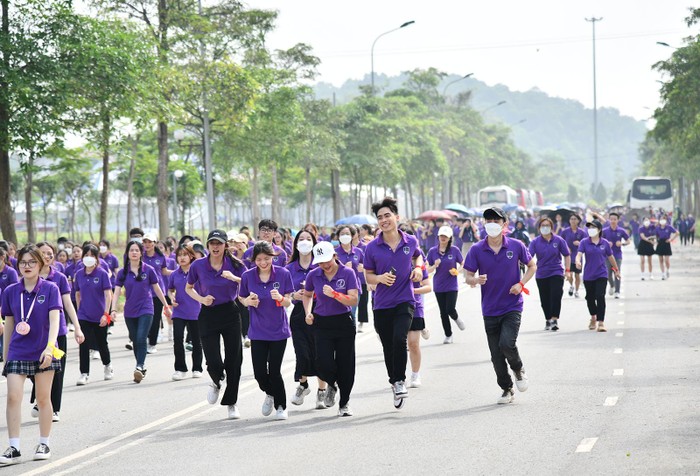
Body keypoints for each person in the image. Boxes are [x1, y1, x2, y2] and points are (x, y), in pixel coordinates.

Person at [463, 207, 536, 405]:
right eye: (488, 220)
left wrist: (521, 284)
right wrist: (476, 280)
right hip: (489, 308)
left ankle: (518, 369)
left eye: (496, 220)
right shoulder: (477, 249)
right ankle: (507, 388)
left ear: (504, 224)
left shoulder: (516, 245)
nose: (492, 223)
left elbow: (531, 266)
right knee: (496, 355)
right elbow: (467, 276)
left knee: (506, 344)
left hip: (512, 305)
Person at [0, 245, 63, 465]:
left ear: (41, 263)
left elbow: (55, 321)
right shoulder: (10, 291)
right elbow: (9, 325)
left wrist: (50, 347)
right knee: (13, 396)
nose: (27, 266)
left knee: (43, 399)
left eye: (32, 262)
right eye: (23, 262)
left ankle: (44, 442)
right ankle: (14, 447)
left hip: (43, 350)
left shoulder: (51, 289)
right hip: (18, 350)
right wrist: (6, 357)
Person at [363, 196, 424, 409]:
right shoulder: (372, 248)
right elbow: (368, 276)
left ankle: (399, 381)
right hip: (381, 304)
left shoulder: (410, 241)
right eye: (380, 217)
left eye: (387, 215)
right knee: (388, 346)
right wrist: (379, 279)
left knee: (400, 339)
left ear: (397, 217)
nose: (384, 220)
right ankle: (394, 381)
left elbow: (418, 257)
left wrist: (418, 269)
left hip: (405, 300)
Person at [186, 230, 246, 420]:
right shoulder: (198, 265)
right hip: (208, 313)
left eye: (219, 243)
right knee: (213, 360)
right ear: (208, 245)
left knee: (233, 360)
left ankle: (231, 403)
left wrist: (233, 278)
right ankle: (216, 380)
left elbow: (247, 282)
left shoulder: (235, 264)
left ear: (225, 245)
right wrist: (201, 299)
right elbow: (189, 288)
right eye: (212, 243)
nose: (215, 246)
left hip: (230, 311)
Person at [239, 241, 294, 421]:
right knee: (260, 373)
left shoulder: (283, 274)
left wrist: (280, 298)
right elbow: (241, 298)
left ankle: (281, 406)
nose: (263, 263)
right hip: (257, 331)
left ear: (273, 257)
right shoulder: (248, 276)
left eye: (267, 259)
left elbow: (288, 301)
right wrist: (249, 302)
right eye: (259, 259)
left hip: (278, 330)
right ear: (254, 259)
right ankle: (270, 393)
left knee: (275, 370)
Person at [303, 241, 359, 417]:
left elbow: (354, 300)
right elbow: (307, 294)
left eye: (327, 260)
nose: (325, 265)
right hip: (322, 323)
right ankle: (332, 385)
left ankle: (344, 403)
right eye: (320, 262)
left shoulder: (347, 273)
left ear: (335, 256)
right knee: (322, 362)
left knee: (346, 364)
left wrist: (335, 294)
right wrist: (308, 312)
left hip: (343, 322)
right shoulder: (314, 275)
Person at [32, 242, 84, 422]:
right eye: (43, 253)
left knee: (57, 371)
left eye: (49, 253)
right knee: (33, 368)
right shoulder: (30, 276)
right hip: (34, 333)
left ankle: (54, 408)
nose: (47, 256)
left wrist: (77, 327)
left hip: (58, 331)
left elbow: (68, 303)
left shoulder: (60, 277)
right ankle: (41, 398)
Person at [111, 241, 171, 383]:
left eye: (137, 250)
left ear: (141, 253)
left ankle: (139, 365)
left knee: (141, 337)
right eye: (131, 250)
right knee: (135, 338)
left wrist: (166, 306)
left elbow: (157, 289)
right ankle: (141, 368)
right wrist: (113, 309)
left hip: (146, 308)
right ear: (128, 253)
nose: (134, 252)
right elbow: (117, 292)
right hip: (130, 311)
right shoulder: (122, 272)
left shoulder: (148, 270)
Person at [286, 230, 328, 409]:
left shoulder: (321, 266)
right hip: (298, 315)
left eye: (308, 239)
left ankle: (321, 391)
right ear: (295, 244)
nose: (304, 242)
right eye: (301, 239)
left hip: (320, 312)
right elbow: (284, 294)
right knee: (301, 352)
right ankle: (303, 385)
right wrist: (293, 295)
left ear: (314, 243)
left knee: (320, 353)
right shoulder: (289, 268)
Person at [74, 244, 113, 386]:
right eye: (86, 255)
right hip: (84, 314)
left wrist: (106, 314)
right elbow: (77, 294)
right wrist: (79, 311)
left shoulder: (102, 273)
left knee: (102, 343)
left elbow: (108, 295)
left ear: (97, 258)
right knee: (83, 344)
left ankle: (108, 365)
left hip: (99, 315)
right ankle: (84, 373)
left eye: (92, 255)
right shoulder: (79, 274)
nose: (88, 258)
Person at [399, 225, 431, 388]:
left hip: (415, 305)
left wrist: (412, 289)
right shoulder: (394, 261)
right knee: (398, 344)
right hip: (396, 306)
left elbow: (428, 286)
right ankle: (398, 377)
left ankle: (415, 374)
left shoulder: (419, 264)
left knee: (413, 343)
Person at [575, 220, 620, 332]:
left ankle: (601, 322)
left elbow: (610, 257)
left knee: (600, 296)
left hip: (601, 274)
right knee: (590, 298)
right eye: (589, 227)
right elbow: (579, 254)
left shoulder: (604, 243)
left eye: (593, 227)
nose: (590, 229)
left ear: (599, 230)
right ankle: (593, 317)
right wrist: (577, 261)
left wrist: (616, 270)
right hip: (589, 275)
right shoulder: (584, 242)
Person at [528, 217, 571, 331]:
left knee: (556, 295)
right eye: (543, 226)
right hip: (542, 273)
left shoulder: (559, 240)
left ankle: (554, 319)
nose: (545, 228)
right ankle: (548, 319)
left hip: (556, 271)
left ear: (552, 227)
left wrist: (567, 270)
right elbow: (528, 257)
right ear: (539, 228)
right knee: (545, 298)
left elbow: (567, 255)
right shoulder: (535, 242)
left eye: (547, 225)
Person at [168, 244, 203, 381]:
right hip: (179, 311)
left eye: (185, 255)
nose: (182, 258)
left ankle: (197, 368)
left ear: (191, 256)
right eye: (179, 255)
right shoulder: (174, 274)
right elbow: (170, 289)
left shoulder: (197, 273)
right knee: (178, 340)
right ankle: (180, 369)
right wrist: (171, 297)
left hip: (196, 311)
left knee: (196, 341)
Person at [426, 225, 465, 344]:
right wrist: (434, 266)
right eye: (441, 236)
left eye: (445, 236)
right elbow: (427, 270)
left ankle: (456, 318)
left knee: (450, 309)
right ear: (438, 237)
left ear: (449, 238)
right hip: (438, 285)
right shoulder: (432, 251)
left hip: (451, 284)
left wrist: (457, 271)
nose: (443, 238)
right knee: (443, 312)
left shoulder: (454, 250)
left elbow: (463, 263)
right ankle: (448, 335)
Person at [141, 233, 172, 354]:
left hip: (158, 292)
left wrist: (177, 272)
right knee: (145, 317)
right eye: (145, 242)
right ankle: (145, 339)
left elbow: (164, 271)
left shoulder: (160, 257)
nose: (147, 244)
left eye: (150, 242)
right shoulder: (140, 256)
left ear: (154, 243)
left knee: (155, 318)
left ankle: (152, 344)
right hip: (143, 292)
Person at [334, 225, 365, 327]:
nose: (345, 236)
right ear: (338, 237)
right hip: (338, 287)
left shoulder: (358, 252)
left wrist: (363, 268)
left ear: (352, 236)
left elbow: (367, 267)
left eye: (347, 234)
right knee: (338, 314)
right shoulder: (334, 253)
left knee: (351, 314)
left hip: (354, 288)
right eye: (342, 234)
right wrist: (342, 268)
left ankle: (350, 339)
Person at [602, 213, 630, 298]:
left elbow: (628, 241)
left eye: (615, 219)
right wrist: (606, 244)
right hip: (607, 256)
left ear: (618, 220)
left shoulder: (621, 231)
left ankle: (617, 291)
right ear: (609, 220)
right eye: (611, 219)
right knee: (607, 274)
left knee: (617, 272)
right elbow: (599, 241)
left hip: (617, 256)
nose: (613, 221)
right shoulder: (605, 231)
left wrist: (622, 243)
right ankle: (612, 285)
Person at [560, 214, 586, 298]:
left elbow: (587, 243)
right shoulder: (565, 231)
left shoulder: (582, 232)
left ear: (578, 221)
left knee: (577, 275)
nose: (573, 221)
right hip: (569, 257)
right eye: (571, 219)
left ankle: (577, 291)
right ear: (569, 221)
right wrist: (566, 248)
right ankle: (571, 286)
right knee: (569, 274)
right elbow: (561, 242)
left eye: (575, 219)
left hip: (578, 256)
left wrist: (579, 244)